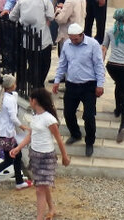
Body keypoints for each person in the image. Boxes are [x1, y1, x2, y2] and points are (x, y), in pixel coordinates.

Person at [10, 88, 69, 220]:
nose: (29, 102)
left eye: (30, 99)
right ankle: (51, 208)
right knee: (43, 185)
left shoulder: (49, 119)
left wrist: (65, 156)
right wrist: (18, 147)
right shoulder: (35, 117)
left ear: (34, 101)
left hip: (47, 157)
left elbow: (59, 139)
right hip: (35, 155)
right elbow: (31, 135)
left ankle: (39, 217)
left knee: (39, 189)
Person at [52, 23, 105, 157]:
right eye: (71, 39)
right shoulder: (67, 45)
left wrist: (100, 84)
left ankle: (89, 142)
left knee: (89, 116)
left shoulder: (93, 45)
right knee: (68, 113)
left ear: (82, 35)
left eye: (76, 39)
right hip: (72, 84)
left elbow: (98, 65)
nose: (73, 41)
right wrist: (57, 80)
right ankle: (75, 134)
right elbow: (62, 64)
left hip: (89, 85)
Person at [101, 8, 124, 143]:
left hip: (112, 65)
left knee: (118, 85)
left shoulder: (110, 31)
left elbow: (104, 47)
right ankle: (122, 123)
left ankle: (117, 108)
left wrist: (101, 64)